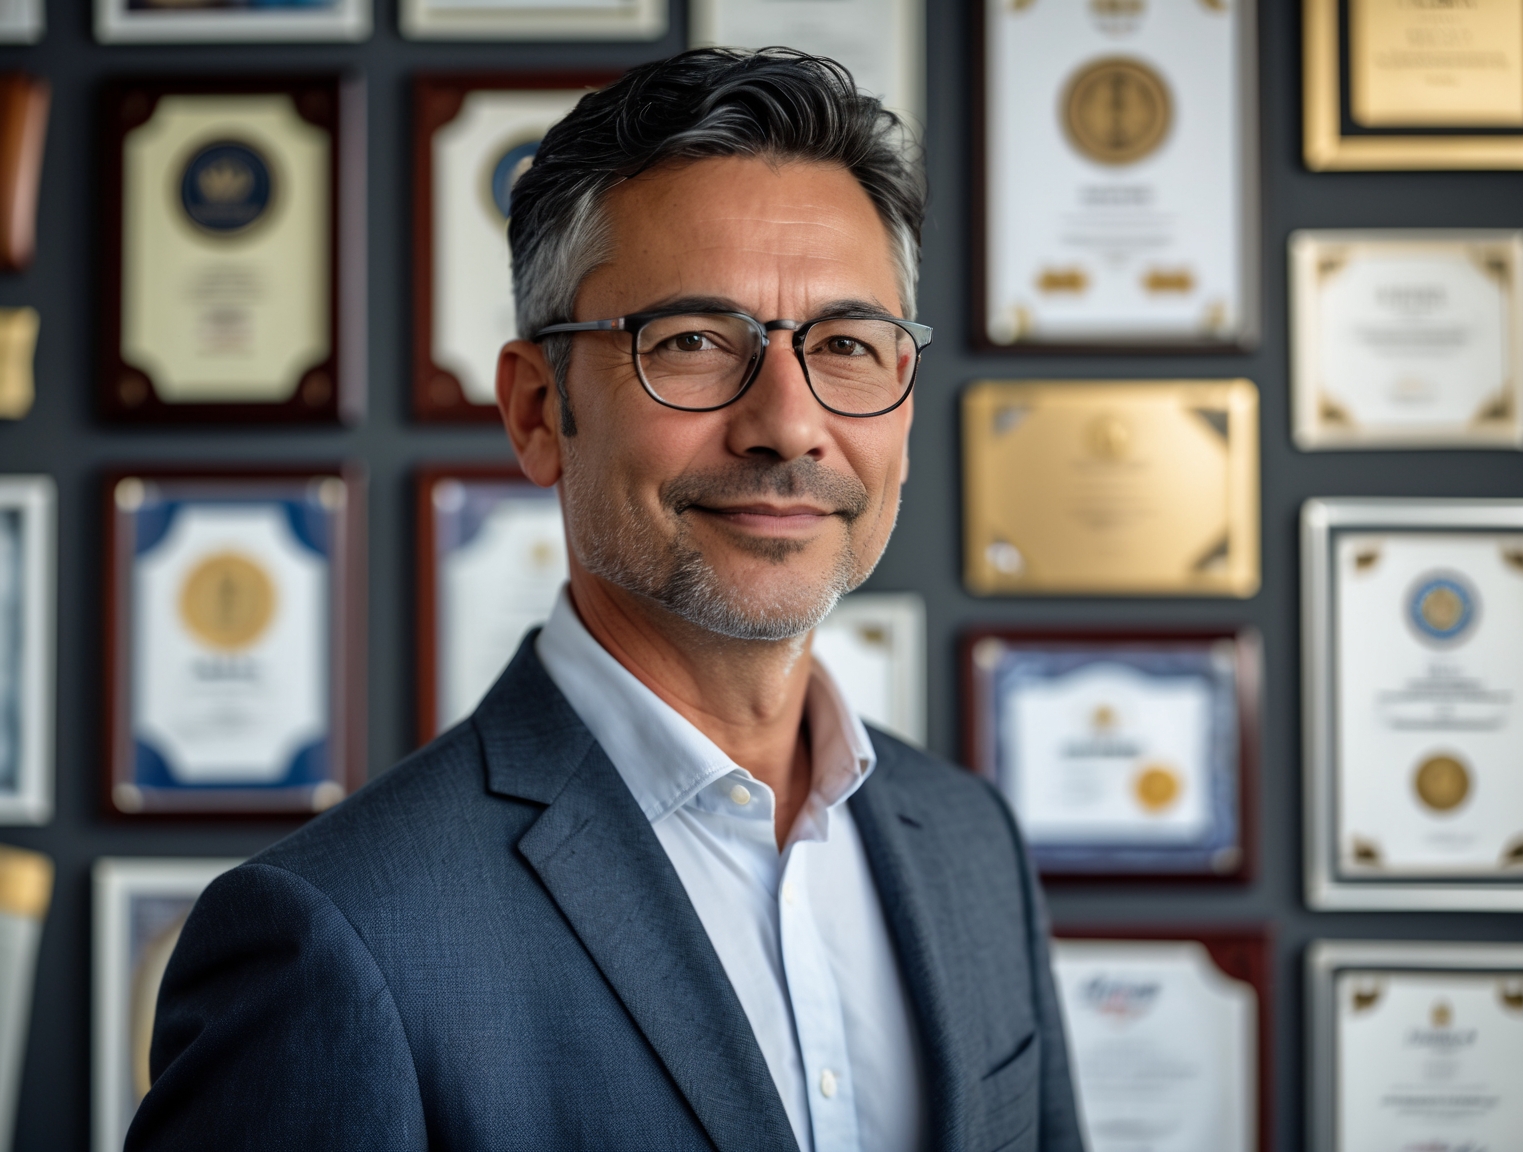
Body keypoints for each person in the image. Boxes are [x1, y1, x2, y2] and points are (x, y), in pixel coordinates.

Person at [127, 49, 1083, 1152]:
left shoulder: (969, 842)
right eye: (690, 342)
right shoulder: (337, 937)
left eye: (849, 346)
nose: (788, 421)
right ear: (538, 412)